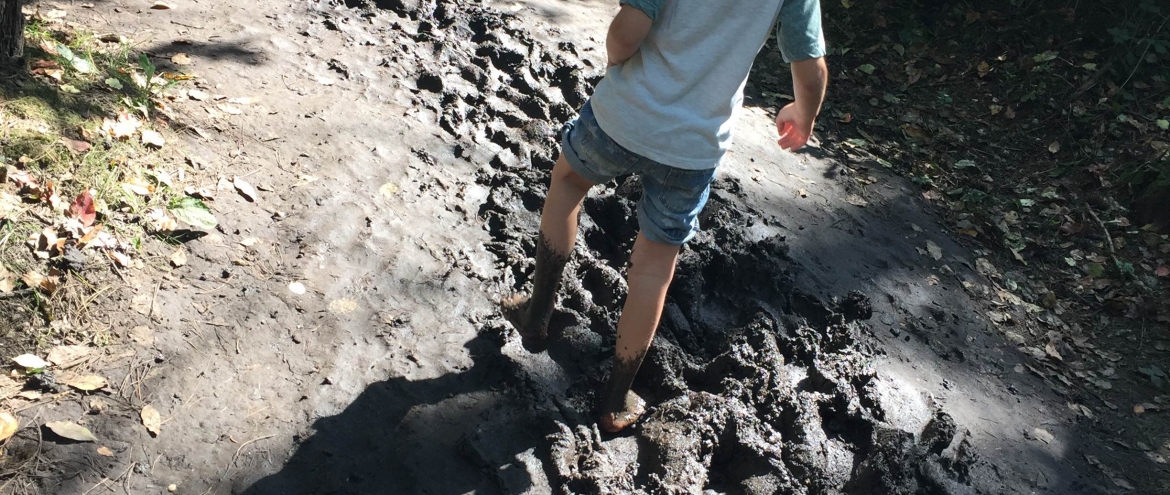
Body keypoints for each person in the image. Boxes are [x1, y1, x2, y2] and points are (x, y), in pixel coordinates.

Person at [503, 0, 828, 433]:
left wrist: (616, 61)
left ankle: (537, 313)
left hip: (623, 115)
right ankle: (616, 400)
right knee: (655, 267)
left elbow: (626, 32)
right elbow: (810, 66)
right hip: (694, 148)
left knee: (567, 183)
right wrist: (804, 114)